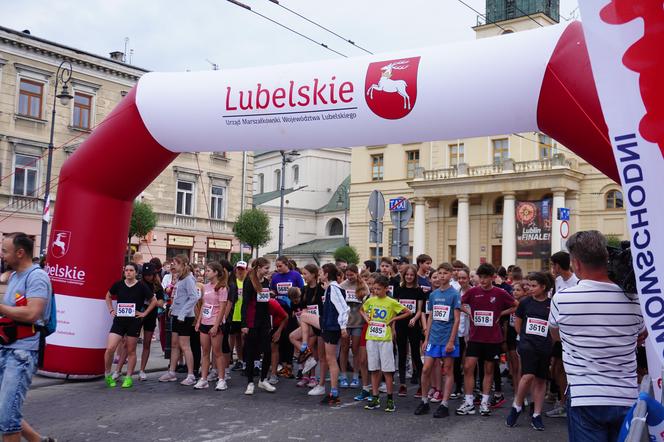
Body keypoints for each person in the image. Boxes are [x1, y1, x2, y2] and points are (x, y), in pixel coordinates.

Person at [548, 231, 645, 441]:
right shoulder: (636, 300)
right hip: (626, 395)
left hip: (585, 396)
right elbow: (641, 335)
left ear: (576, 263)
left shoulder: (562, 299)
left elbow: (555, 335)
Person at [0, 233, 55, 442]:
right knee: (5, 409)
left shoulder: (37, 277)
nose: (2, 255)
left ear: (20, 253)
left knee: (7, 418)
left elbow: (33, 313)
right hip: (6, 347)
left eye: (5, 251)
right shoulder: (15, 276)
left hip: (22, 353)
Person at [456, 263, 517, 416]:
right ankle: (469, 402)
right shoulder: (473, 291)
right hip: (475, 337)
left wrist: (500, 314)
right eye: (480, 277)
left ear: (493, 277)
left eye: (485, 278)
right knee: (469, 367)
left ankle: (484, 402)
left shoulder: (500, 292)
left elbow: (516, 305)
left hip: (492, 338)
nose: (482, 281)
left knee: (488, 370)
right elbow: (458, 304)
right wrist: (469, 313)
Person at [506, 272, 554, 431]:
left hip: (545, 346)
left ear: (544, 287)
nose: (530, 289)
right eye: (530, 285)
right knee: (527, 376)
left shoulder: (553, 303)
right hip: (528, 345)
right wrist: (525, 339)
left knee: (541, 380)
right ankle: (517, 406)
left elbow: (554, 328)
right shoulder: (525, 302)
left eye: (534, 286)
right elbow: (518, 325)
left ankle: (537, 414)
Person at [414, 263, 461, 418]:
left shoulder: (454, 294)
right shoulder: (433, 295)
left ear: (450, 275)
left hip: (448, 338)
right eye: (439, 273)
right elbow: (431, 317)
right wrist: (426, 338)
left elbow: (456, 320)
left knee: (447, 370)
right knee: (426, 368)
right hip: (433, 338)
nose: (442, 276)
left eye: (445, 273)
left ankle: (444, 404)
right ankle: (424, 401)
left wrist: (451, 341)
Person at [361, 275, 411, 412]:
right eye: (374, 288)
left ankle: (390, 399)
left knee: (387, 370)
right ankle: (375, 397)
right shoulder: (370, 300)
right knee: (374, 369)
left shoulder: (391, 301)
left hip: (385, 339)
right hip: (371, 337)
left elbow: (408, 312)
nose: (375, 291)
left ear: (386, 289)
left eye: (378, 289)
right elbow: (362, 310)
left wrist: (393, 319)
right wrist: (367, 319)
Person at [104, 263, 156, 388]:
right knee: (110, 348)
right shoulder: (119, 284)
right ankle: (107, 374)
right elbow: (108, 295)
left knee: (131, 349)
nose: (128, 272)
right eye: (126, 270)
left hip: (134, 322)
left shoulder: (141, 286)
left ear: (136, 272)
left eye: (131, 270)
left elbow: (153, 301)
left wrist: (144, 313)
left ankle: (128, 377)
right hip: (119, 321)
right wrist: (111, 310)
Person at [546, 251, 579, 418]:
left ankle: (569, 403)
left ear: (558, 265)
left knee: (567, 369)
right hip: (558, 333)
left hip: (573, 335)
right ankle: (563, 401)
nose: (552, 268)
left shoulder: (578, 282)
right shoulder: (557, 281)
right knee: (557, 368)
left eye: (553, 265)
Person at [158, 254, 199, 385]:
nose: (173, 265)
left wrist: (182, 313)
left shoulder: (189, 279)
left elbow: (193, 298)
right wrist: (172, 308)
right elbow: (178, 297)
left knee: (185, 345)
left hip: (185, 317)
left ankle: (191, 374)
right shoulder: (180, 279)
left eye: (175, 263)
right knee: (175, 344)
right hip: (176, 315)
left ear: (183, 265)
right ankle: (172, 372)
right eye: (172, 263)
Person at [241, 257, 276, 394]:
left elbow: (265, 301)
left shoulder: (267, 282)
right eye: (266, 268)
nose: (268, 271)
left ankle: (263, 380)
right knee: (251, 351)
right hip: (252, 321)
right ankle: (250, 382)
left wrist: (270, 295)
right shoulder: (249, 282)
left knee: (267, 350)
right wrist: (244, 324)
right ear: (259, 268)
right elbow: (245, 303)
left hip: (265, 321)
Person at [193, 262, 229, 390]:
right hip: (205, 322)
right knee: (205, 352)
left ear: (216, 272)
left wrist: (216, 325)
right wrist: (198, 321)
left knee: (217, 353)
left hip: (215, 323)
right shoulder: (205, 287)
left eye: (208, 270)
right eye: (206, 270)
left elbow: (223, 308)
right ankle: (203, 379)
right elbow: (204, 304)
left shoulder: (222, 288)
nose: (205, 273)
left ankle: (221, 379)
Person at [318, 263, 350, 406]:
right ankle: (333, 392)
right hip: (329, 326)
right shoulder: (330, 288)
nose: (319, 274)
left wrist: (343, 326)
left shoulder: (334, 288)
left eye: (320, 272)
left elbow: (344, 308)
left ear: (326, 274)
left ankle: (334, 393)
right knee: (331, 359)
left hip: (332, 327)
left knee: (331, 360)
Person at [393, 264, 425, 396]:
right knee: (402, 354)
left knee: (416, 355)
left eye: (412, 275)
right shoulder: (398, 289)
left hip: (413, 325)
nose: (409, 277)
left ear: (415, 276)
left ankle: (422, 385)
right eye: (407, 275)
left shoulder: (419, 291)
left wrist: (414, 319)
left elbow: (419, 311)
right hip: (400, 325)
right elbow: (394, 310)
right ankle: (402, 384)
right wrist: (393, 327)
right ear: (404, 275)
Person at [339, 264, 369, 388]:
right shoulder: (342, 286)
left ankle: (356, 376)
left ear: (357, 273)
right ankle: (343, 375)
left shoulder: (363, 286)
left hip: (358, 322)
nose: (349, 277)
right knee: (344, 348)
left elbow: (367, 303)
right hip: (346, 323)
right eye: (347, 275)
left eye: (352, 275)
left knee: (356, 350)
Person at [137, 263, 164, 380]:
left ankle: (142, 370)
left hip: (151, 316)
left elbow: (161, 303)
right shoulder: (139, 284)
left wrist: (152, 300)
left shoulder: (157, 286)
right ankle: (120, 368)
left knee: (147, 343)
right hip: (138, 315)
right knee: (128, 342)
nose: (148, 277)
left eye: (150, 275)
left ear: (154, 274)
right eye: (146, 275)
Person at [228, 261, 247, 372]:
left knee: (245, 339)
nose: (240, 271)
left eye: (242, 269)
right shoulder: (233, 282)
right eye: (238, 269)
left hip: (244, 315)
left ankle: (246, 360)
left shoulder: (248, 282)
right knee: (236, 339)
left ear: (246, 270)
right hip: (234, 314)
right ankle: (239, 360)